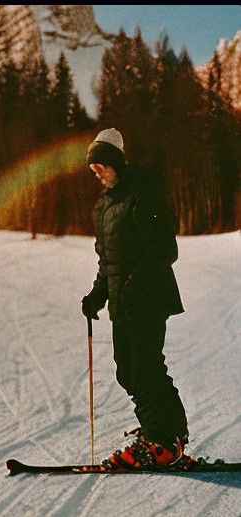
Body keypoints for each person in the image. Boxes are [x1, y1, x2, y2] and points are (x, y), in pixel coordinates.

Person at [81, 128, 190, 471]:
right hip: (122, 303)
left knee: (145, 370)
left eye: (100, 165)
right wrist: (97, 296)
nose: (96, 173)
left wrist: (131, 286)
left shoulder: (144, 192)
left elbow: (164, 249)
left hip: (148, 299)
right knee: (128, 371)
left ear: (115, 162)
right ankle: (169, 432)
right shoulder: (104, 207)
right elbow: (107, 261)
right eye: (92, 168)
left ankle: (159, 440)